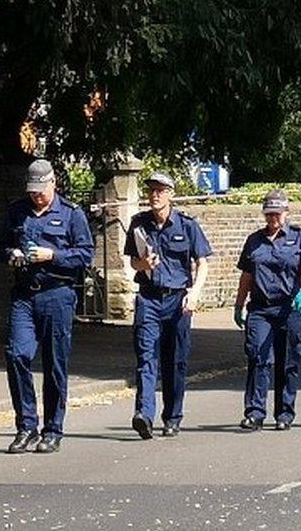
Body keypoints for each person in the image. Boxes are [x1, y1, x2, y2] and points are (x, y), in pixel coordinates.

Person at [0, 159, 94, 454]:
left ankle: (53, 429)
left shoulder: (71, 215)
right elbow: (0, 246)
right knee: (16, 354)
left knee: (54, 364)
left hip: (57, 294)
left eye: (41, 190)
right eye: (32, 191)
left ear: (53, 184)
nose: (37, 196)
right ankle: (26, 426)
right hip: (24, 294)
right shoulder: (17, 211)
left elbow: (85, 255)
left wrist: (52, 255)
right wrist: (11, 253)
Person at [124, 172, 212, 439]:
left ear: (170, 194)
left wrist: (195, 292)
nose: (154, 195)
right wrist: (144, 265)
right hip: (149, 297)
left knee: (175, 361)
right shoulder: (139, 224)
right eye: (151, 190)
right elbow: (132, 262)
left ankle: (172, 416)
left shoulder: (186, 225)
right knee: (146, 357)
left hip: (178, 300)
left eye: (160, 191)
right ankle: (144, 415)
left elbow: (203, 262)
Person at [233, 190, 301, 431]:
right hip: (260, 309)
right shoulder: (254, 240)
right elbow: (247, 274)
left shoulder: (300, 237)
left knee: (287, 360)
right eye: (269, 214)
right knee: (258, 358)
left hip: (290, 308)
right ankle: (254, 412)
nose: (273, 218)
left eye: (277, 213)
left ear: (286, 213)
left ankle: (284, 413)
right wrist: (239, 304)